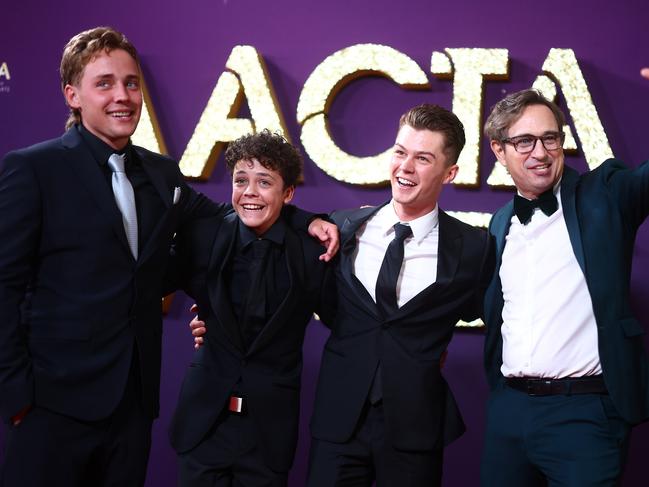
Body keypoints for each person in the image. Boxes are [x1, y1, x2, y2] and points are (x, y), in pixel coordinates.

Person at [0, 27, 337, 487]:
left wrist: (305, 220)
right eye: (105, 83)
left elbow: (234, 213)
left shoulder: (160, 173)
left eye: (131, 82)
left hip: (132, 410)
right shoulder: (33, 169)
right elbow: (3, 286)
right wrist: (15, 395)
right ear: (72, 95)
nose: (123, 95)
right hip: (51, 407)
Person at [306, 104, 495, 487]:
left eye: (422, 158)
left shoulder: (474, 248)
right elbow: (293, 288)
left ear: (450, 172)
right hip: (339, 418)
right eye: (399, 152)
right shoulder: (342, 226)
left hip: (415, 428)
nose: (405, 167)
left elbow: (503, 312)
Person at [480, 87, 649, 486]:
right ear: (499, 150)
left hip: (584, 415)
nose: (540, 152)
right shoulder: (500, 223)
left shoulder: (605, 193)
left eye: (550, 138)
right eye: (524, 141)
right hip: (509, 411)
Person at [168, 130, 335, 487]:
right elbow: (148, 278)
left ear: (288, 193)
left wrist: (307, 219)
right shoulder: (206, 235)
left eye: (264, 182)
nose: (250, 193)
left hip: (268, 433)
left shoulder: (311, 251)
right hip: (203, 423)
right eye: (241, 180)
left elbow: (345, 317)